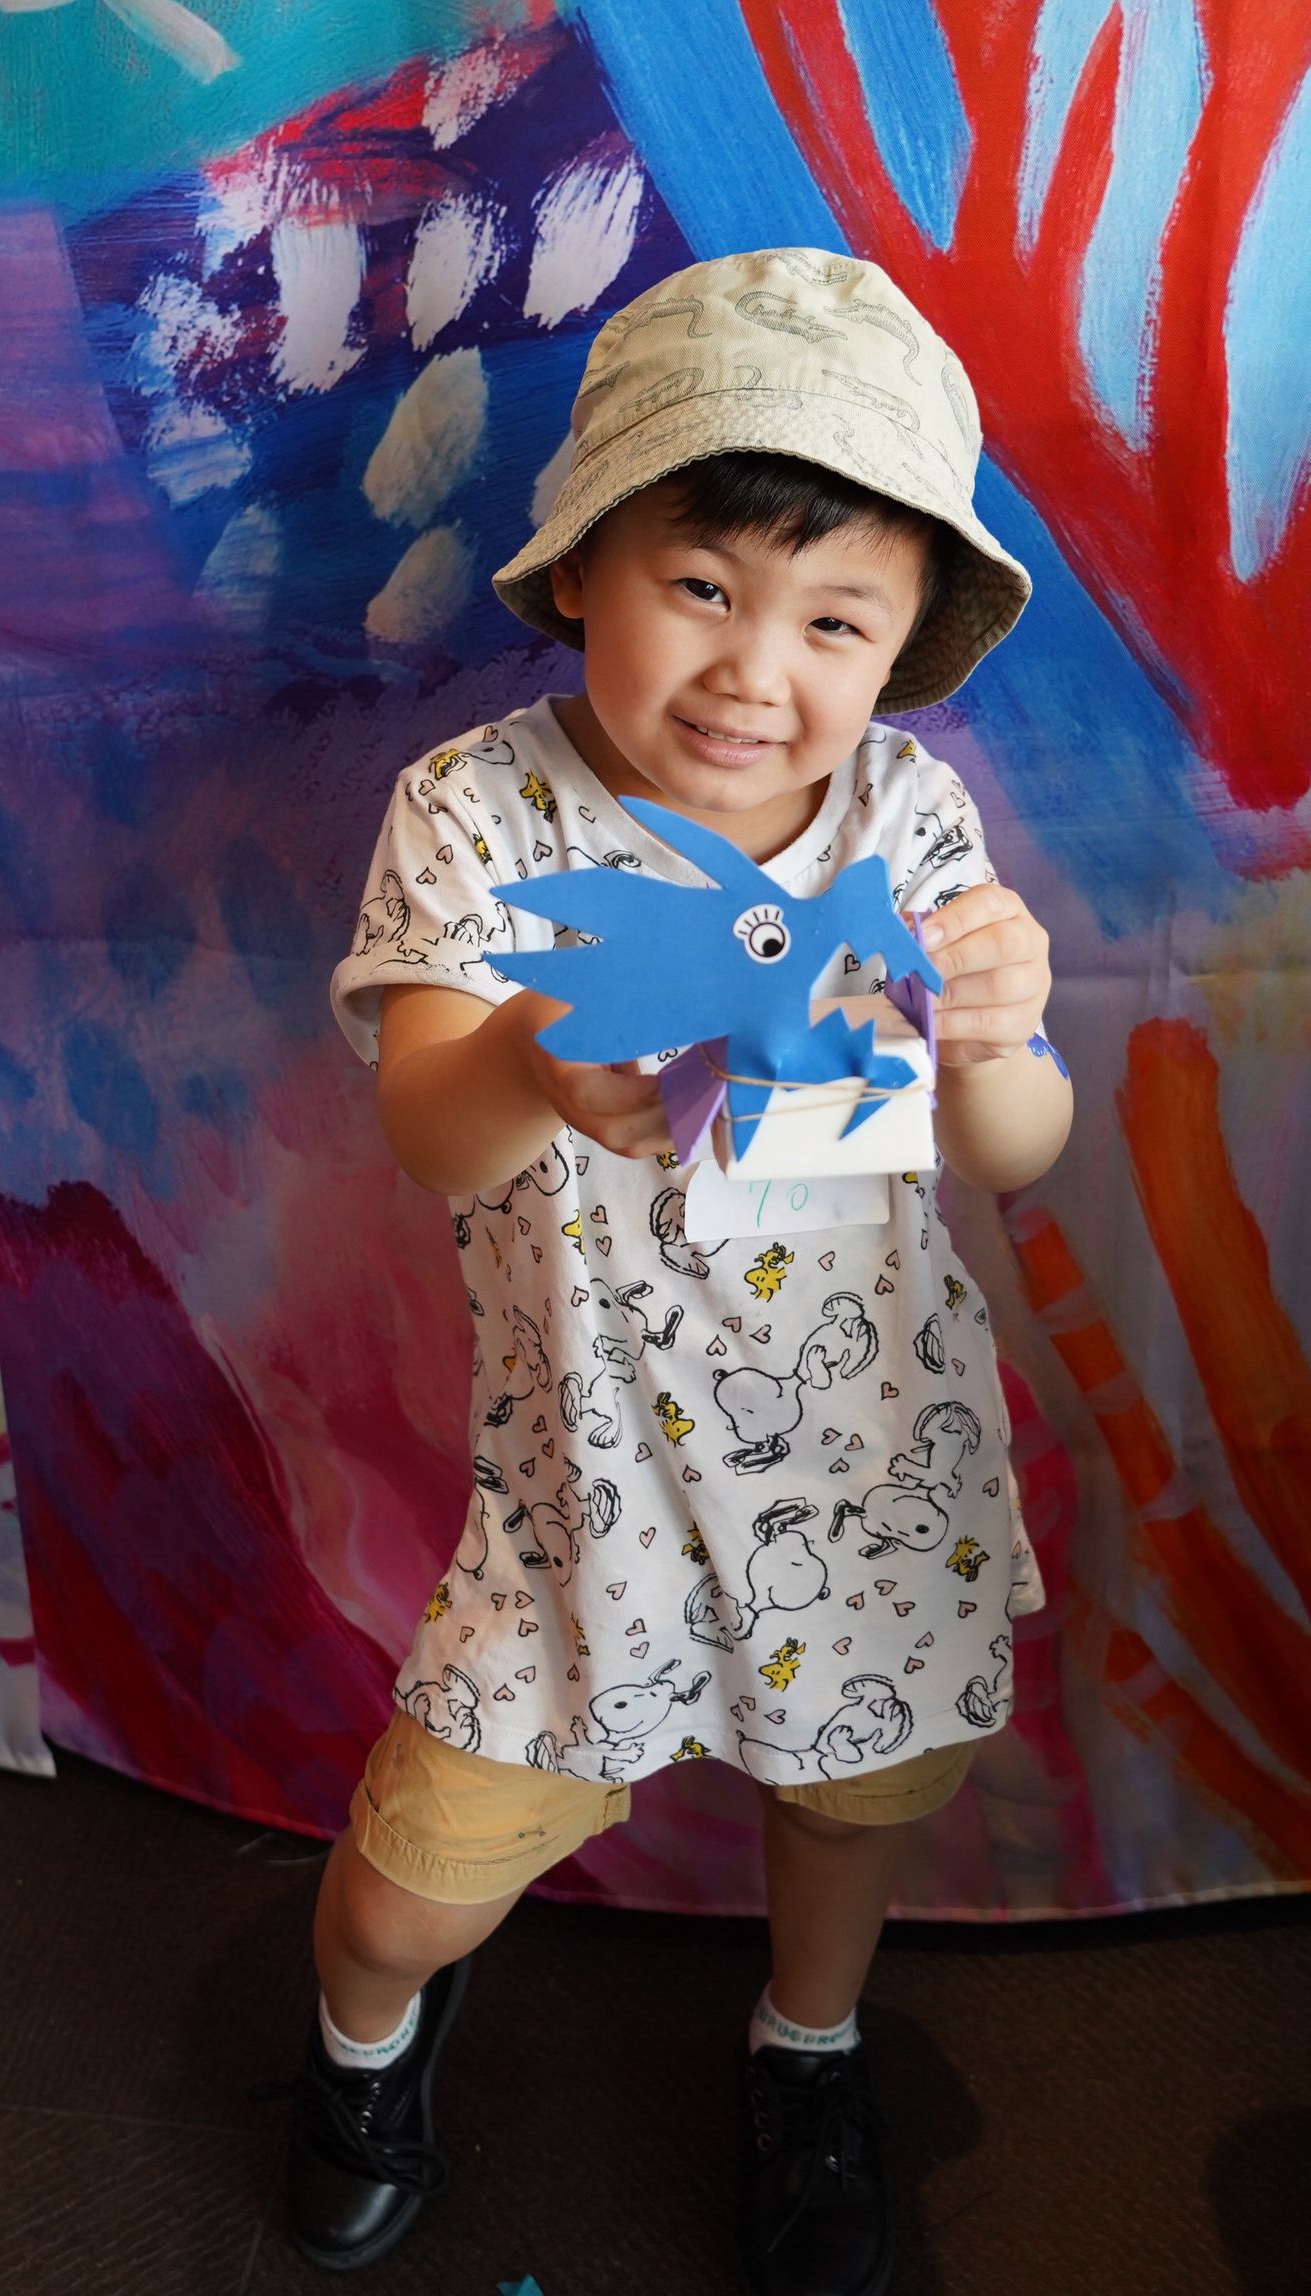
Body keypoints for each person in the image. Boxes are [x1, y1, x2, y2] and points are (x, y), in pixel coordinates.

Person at [284, 249, 1073, 2294]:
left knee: (852, 1799)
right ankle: (360, 2046)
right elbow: (427, 1126)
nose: (753, 670)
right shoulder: (476, 814)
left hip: (861, 1461)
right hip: (590, 1486)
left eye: (833, 620)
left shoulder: (907, 819)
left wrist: (996, 1043)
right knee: (408, 1889)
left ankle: (803, 2050)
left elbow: (1011, 1153)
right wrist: (541, 1059)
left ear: (900, 650)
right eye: (699, 586)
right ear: (575, 575)